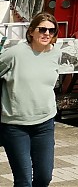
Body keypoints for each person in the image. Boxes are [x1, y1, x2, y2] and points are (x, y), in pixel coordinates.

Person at [0, 12, 61, 187]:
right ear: (32, 31)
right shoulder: (15, 53)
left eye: (52, 30)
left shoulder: (55, 53)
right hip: (16, 125)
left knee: (44, 178)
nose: (47, 34)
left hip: (44, 124)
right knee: (24, 181)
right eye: (42, 29)